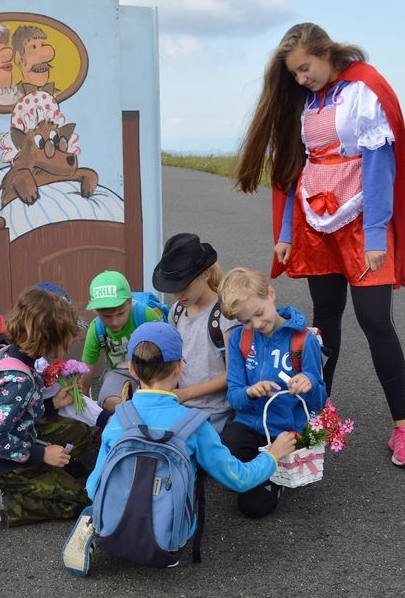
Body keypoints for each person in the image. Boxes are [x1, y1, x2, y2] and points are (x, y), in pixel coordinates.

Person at [235, 22, 405, 467]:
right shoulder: (307, 102)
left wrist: (377, 235)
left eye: (305, 68)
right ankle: (318, 411)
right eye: (294, 73)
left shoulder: (363, 91)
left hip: (361, 223)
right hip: (317, 223)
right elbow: (296, 170)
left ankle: (403, 430)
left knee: (376, 322)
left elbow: (378, 168)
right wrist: (285, 233)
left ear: (324, 52)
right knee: (326, 321)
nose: (301, 79)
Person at [63, 322, 297, 572]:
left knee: (98, 496)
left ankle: (99, 523)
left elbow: (93, 485)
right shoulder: (193, 425)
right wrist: (272, 455)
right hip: (168, 543)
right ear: (179, 367)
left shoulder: (120, 418)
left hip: (112, 530)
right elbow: (238, 479)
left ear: (132, 369)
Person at [0, 287, 97, 536]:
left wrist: (54, 404)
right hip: (3, 461)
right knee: (82, 501)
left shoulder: (15, 356)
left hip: (20, 439)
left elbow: (17, 412)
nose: (69, 342)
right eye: (64, 336)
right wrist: (41, 454)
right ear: (47, 338)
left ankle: (40, 475)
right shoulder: (18, 380)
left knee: (81, 432)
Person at [218, 268, 327, 517]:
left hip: (284, 432)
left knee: (253, 508)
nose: (256, 324)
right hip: (249, 425)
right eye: (246, 321)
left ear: (271, 293)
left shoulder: (303, 340)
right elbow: (233, 396)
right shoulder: (239, 340)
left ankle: (274, 480)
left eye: (259, 313)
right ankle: (259, 471)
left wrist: (309, 381)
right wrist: (250, 392)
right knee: (223, 451)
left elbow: (319, 400)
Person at [153, 233, 237, 433]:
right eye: (173, 288)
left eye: (184, 285)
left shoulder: (224, 315)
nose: (179, 294)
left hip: (216, 414)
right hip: (179, 409)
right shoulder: (177, 311)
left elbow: (232, 374)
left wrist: (187, 393)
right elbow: (171, 361)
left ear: (205, 274)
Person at [78, 270, 163, 412]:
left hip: (153, 368)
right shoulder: (96, 328)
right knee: (108, 401)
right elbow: (86, 370)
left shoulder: (146, 315)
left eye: (120, 314)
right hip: (119, 371)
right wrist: (82, 405)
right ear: (95, 312)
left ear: (129, 302)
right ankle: (133, 416)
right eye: (107, 316)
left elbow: (168, 351)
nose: (115, 321)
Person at [33, 282, 109, 430]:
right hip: (10, 448)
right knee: (76, 432)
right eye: (68, 331)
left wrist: (106, 420)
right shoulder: (22, 371)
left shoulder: (38, 361)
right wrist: (41, 453)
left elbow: (63, 399)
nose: (73, 338)